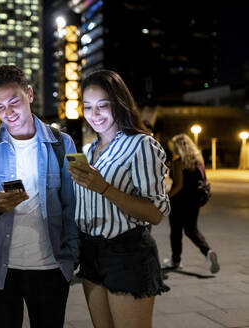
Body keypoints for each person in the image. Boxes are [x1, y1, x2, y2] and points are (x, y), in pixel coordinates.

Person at [0, 65, 79, 328]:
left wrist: (73, 256)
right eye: (0, 106)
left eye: (14, 101)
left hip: (50, 268)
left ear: (29, 94)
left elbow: (72, 205)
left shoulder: (63, 144)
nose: (8, 112)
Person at [68, 70, 170, 328]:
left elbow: (155, 214)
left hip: (127, 253)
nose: (95, 115)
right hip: (91, 251)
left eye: (104, 105)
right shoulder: (89, 151)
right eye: (88, 107)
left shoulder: (141, 145)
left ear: (120, 103)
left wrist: (104, 188)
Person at [162, 133, 220, 273]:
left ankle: (176, 261)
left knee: (176, 232)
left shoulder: (179, 162)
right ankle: (208, 251)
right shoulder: (198, 162)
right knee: (191, 230)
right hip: (194, 201)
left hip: (179, 202)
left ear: (179, 147)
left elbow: (178, 186)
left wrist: (165, 198)